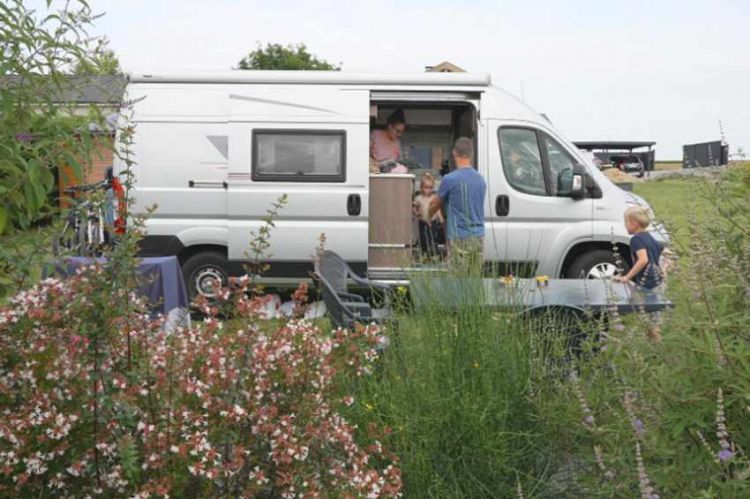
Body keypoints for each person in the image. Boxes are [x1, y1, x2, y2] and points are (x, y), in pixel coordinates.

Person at [429, 137, 486, 275]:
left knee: (457, 282)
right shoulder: (480, 180)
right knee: (474, 282)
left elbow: (434, 205)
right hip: (479, 237)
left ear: (454, 153)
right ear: (471, 154)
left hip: (459, 238)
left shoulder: (449, 179)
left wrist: (428, 215)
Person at [614, 206, 665, 341]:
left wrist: (626, 277)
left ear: (634, 223)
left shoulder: (636, 239)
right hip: (658, 282)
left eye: (626, 222)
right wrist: (664, 270)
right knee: (651, 317)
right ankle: (652, 344)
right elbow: (665, 255)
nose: (625, 225)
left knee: (652, 320)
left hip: (649, 284)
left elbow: (643, 260)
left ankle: (658, 349)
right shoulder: (650, 237)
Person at [412, 173, 444, 256]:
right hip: (423, 221)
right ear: (421, 188)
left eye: (431, 188)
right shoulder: (418, 198)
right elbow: (414, 208)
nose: (428, 190)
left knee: (433, 238)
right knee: (423, 238)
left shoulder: (434, 197)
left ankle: (433, 254)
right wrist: (417, 212)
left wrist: (441, 219)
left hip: (433, 221)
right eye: (426, 188)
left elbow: (437, 209)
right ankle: (424, 253)